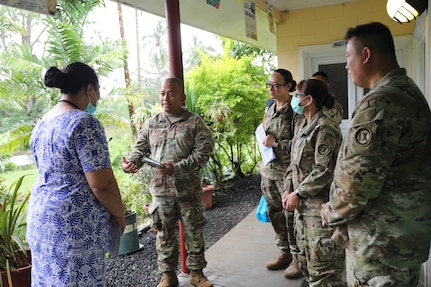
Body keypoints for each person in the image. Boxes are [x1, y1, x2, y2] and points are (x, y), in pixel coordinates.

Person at [321, 22, 431, 287]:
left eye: (349, 57)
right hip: (402, 238)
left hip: (379, 247)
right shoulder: (408, 91)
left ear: (366, 55)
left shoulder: (380, 102)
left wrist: (330, 212)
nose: (347, 65)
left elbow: (357, 185)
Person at [27, 62, 126, 286]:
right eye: (98, 91)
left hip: (42, 220)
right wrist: (119, 213)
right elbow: (102, 184)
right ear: (89, 89)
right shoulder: (84, 123)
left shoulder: (41, 123)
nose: (98, 98)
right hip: (72, 228)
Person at [121, 77, 214, 287]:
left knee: (193, 231)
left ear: (182, 97)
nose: (165, 98)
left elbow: (203, 153)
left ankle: (197, 273)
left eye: (171, 93)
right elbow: (140, 149)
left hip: (188, 190)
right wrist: (132, 163)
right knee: (164, 233)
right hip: (161, 192)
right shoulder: (152, 123)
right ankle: (168, 275)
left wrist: (177, 168)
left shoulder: (194, 123)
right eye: (163, 93)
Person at [282, 79, 345, 286]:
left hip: (319, 210)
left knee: (324, 269)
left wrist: (298, 193)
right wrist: (287, 190)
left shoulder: (325, 129)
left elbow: (323, 170)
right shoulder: (302, 125)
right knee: (307, 263)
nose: (294, 100)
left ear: (308, 100)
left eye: (297, 96)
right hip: (302, 208)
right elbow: (294, 164)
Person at [260, 69, 302, 280]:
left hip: (287, 173)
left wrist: (276, 143)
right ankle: (284, 252)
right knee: (274, 212)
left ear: (289, 86)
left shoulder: (296, 111)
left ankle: (297, 258)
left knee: (291, 215)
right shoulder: (270, 108)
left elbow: (301, 144)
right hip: (269, 170)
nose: (271, 88)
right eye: (269, 84)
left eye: (276, 85)